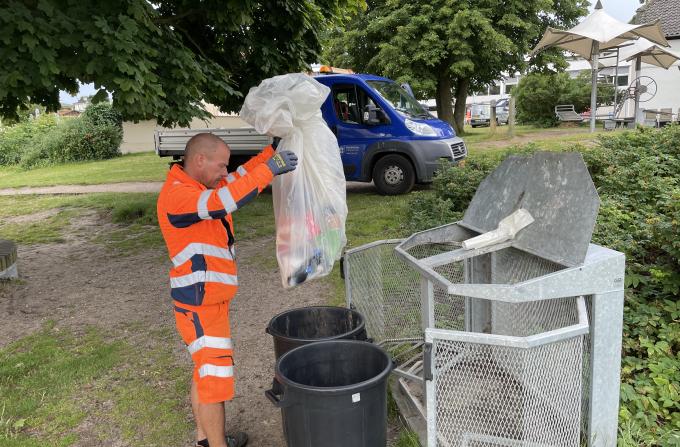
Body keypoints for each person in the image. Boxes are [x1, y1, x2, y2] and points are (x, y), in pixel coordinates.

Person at [156, 133, 297, 447]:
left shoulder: (201, 184)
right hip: (200, 308)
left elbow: (240, 178)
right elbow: (224, 201)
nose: (225, 172)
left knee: (205, 373)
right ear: (199, 160)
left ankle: (205, 438)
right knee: (214, 381)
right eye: (220, 165)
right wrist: (272, 167)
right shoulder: (179, 196)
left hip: (206, 301)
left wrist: (271, 151)